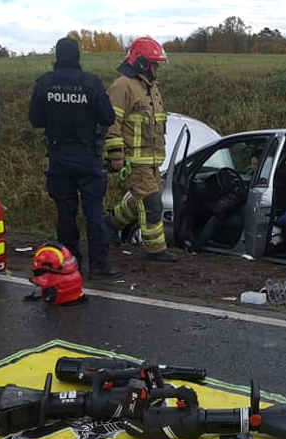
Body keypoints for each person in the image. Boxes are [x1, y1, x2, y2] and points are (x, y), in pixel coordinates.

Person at [28, 37, 119, 279]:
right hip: (88, 156)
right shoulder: (91, 83)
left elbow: (35, 120)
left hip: (59, 157)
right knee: (94, 212)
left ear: (57, 57)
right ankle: (99, 266)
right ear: (78, 57)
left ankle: (71, 264)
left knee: (65, 214)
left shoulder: (44, 84)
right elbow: (109, 118)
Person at [104, 37, 177, 262]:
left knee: (139, 201)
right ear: (142, 63)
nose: (157, 69)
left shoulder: (151, 87)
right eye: (155, 64)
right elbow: (110, 123)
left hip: (152, 160)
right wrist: (116, 156)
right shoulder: (122, 86)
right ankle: (155, 250)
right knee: (152, 203)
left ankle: (108, 225)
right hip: (135, 161)